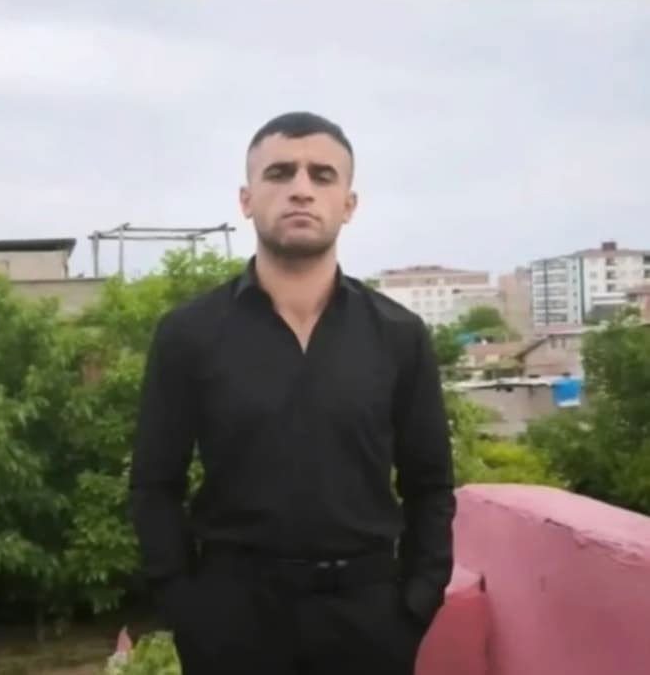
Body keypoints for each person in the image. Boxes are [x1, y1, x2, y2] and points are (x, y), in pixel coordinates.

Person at [130, 111, 455, 675]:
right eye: (279, 173)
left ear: (348, 204)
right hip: (233, 625)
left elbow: (430, 486)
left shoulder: (399, 335)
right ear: (246, 199)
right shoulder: (189, 334)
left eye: (322, 175)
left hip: (369, 624)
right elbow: (155, 485)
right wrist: (187, 608)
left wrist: (415, 604)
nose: (301, 189)